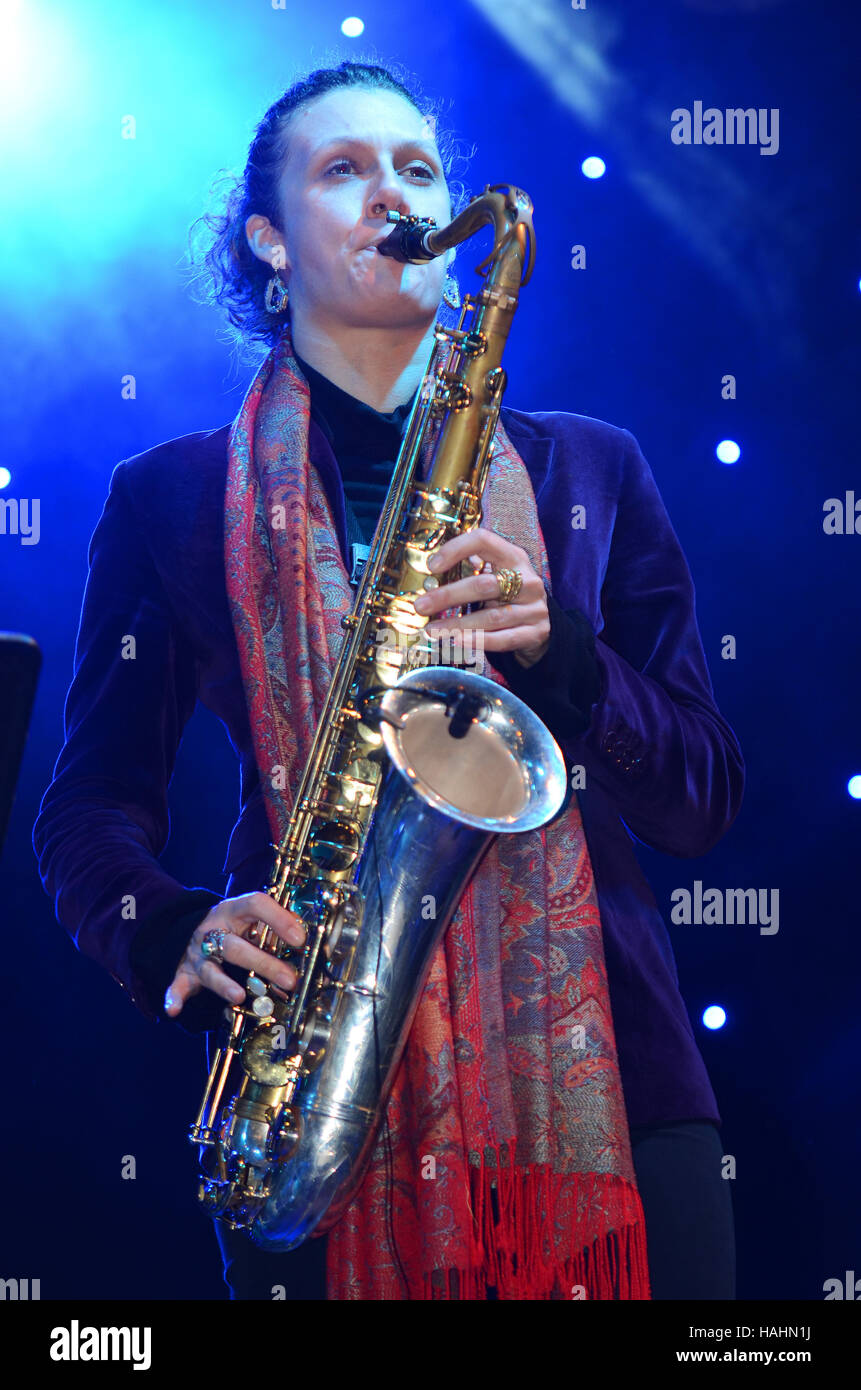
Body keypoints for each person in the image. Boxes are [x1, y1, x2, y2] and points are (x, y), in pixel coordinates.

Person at [33, 59, 744, 1301]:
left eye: (417, 169)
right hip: (312, 1088)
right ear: (266, 238)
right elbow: (87, 809)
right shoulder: (168, 498)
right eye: (344, 170)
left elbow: (704, 794)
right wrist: (167, 928)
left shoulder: (595, 470)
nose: (394, 195)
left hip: (612, 1095)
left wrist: (560, 652)